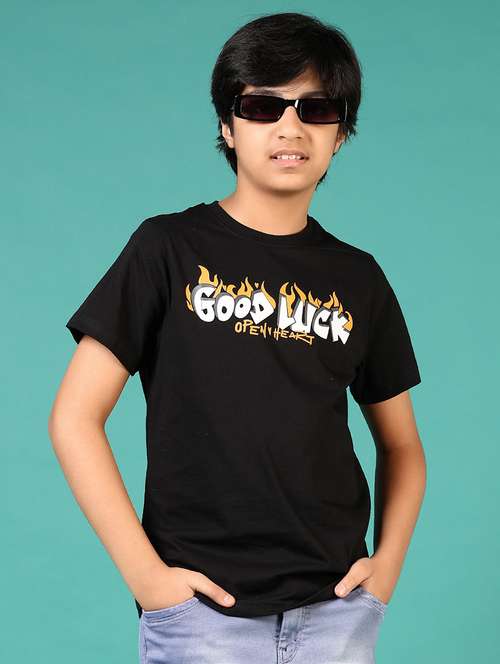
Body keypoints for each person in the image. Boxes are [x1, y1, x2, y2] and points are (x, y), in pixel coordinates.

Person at [48, 11, 426, 664]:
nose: (290, 127)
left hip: (336, 613)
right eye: (262, 106)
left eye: (316, 109)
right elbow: (74, 418)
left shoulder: (358, 277)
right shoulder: (167, 249)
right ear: (228, 125)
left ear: (340, 134)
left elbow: (403, 446)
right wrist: (148, 580)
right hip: (201, 618)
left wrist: (385, 567)